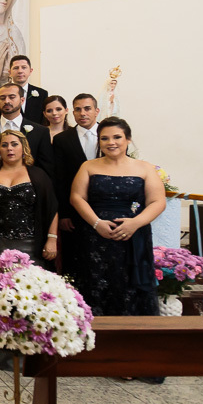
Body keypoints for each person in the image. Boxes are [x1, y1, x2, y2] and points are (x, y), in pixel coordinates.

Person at [70, 117, 165, 317]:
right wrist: (96, 223)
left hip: (133, 238)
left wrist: (135, 223)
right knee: (95, 283)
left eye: (117, 137)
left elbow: (158, 201)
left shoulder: (145, 168)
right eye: (104, 138)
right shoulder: (88, 166)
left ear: (128, 139)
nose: (111, 142)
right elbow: (77, 198)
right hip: (95, 237)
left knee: (130, 286)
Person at [0, 129, 58, 268]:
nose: (9, 148)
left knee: (28, 281)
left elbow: (52, 209)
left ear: (24, 148)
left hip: (30, 243)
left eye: (14, 144)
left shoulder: (39, 176)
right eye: (4, 145)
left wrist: (52, 238)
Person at [54, 94, 101, 278]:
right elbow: (59, 179)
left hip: (104, 207)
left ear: (97, 111)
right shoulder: (62, 139)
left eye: (87, 108)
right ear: (72, 113)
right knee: (75, 260)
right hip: (73, 212)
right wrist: (63, 214)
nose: (83, 113)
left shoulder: (109, 136)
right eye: (78, 109)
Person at [0, 83, 54, 184]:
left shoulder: (40, 132)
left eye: (12, 97)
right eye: (2, 98)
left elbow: (47, 170)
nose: (7, 101)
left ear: (22, 100)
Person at [0, 55, 48, 124]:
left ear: (30, 71)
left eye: (24, 67)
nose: (20, 71)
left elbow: (44, 120)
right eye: (16, 68)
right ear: (10, 72)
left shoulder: (42, 94)